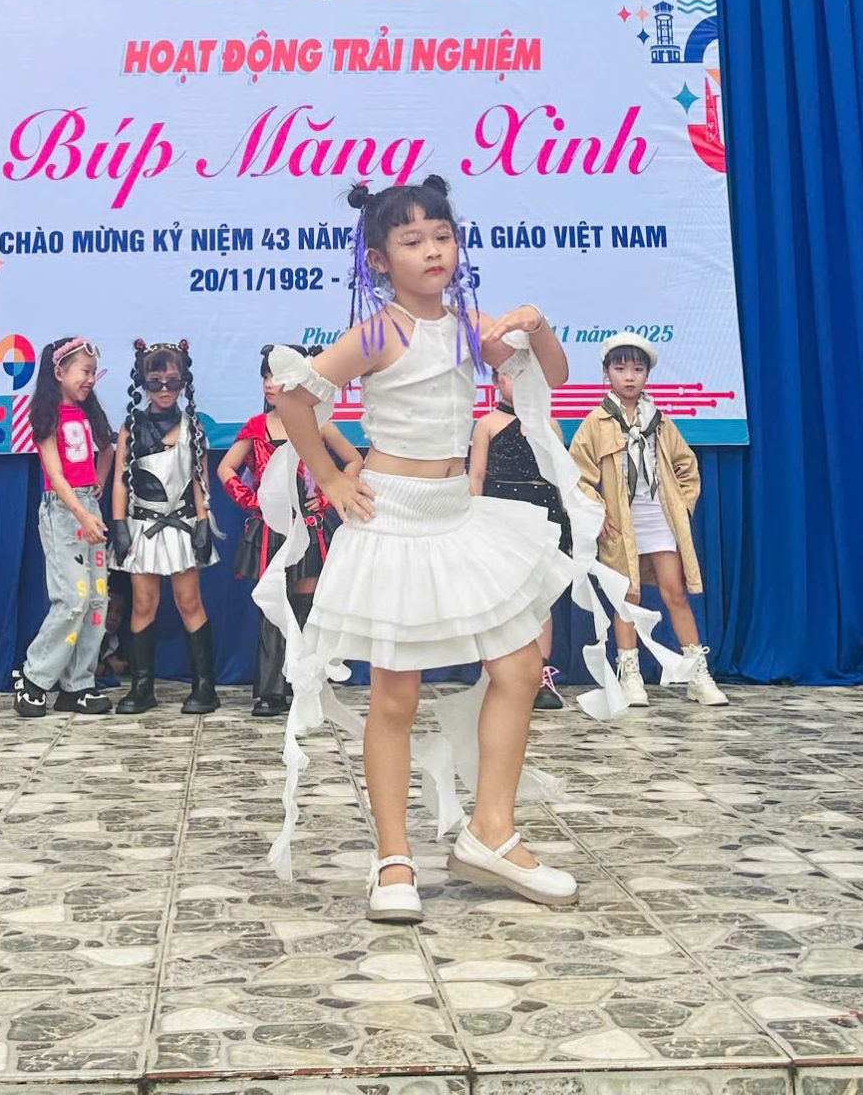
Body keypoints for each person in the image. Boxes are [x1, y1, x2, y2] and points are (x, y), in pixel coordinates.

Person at [259, 177, 608, 922]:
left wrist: (538, 324)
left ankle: (491, 832)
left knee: (519, 668)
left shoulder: (467, 324)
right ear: (379, 260)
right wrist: (331, 477)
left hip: (459, 516)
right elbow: (294, 397)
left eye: (442, 236)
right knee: (396, 695)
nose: (432, 251)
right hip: (395, 521)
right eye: (412, 241)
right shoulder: (378, 332)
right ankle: (394, 859)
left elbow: (549, 375)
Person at [570, 332, 726, 705]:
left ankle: (696, 674)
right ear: (606, 372)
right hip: (621, 523)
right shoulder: (595, 422)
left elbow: (687, 466)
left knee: (675, 592)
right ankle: (630, 675)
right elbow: (577, 475)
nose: (629, 377)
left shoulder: (660, 422)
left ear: (647, 375)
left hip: (657, 518)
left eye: (637, 369)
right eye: (620, 368)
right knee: (628, 596)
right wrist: (597, 512)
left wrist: (680, 508)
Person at [221, 346, 357, 717]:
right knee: (273, 605)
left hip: (309, 527)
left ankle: (307, 685)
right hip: (271, 530)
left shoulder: (319, 423)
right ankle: (271, 690)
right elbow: (226, 469)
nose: (270, 384)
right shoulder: (256, 427)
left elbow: (354, 461)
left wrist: (327, 497)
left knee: (306, 605)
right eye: (265, 376)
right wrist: (253, 501)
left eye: (277, 376)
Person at [12, 335, 117, 719]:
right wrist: (81, 514)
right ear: (59, 372)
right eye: (84, 371)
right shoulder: (48, 416)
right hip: (63, 511)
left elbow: (108, 448)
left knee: (97, 600)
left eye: (93, 372)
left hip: (88, 506)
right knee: (72, 598)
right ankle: (34, 678)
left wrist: (98, 485)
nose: (90, 379)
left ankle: (78, 684)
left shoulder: (88, 415)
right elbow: (55, 476)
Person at [113, 339, 219, 716]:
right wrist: (119, 524)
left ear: (183, 382)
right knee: (143, 603)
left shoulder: (194, 428)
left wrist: (204, 523)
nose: (163, 390)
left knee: (189, 602)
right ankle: (142, 688)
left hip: (183, 525)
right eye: (154, 382)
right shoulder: (131, 427)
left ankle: (204, 687)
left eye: (172, 382)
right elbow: (120, 481)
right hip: (143, 524)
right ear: (142, 383)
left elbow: (200, 480)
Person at [476, 343, 579, 712]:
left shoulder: (549, 424)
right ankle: (496, 675)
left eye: (525, 377)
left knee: (540, 597)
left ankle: (540, 676)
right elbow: (476, 476)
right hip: (500, 519)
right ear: (496, 381)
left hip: (543, 519)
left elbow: (560, 480)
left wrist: (567, 526)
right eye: (510, 377)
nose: (518, 384)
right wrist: (474, 522)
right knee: (501, 598)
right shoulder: (487, 424)